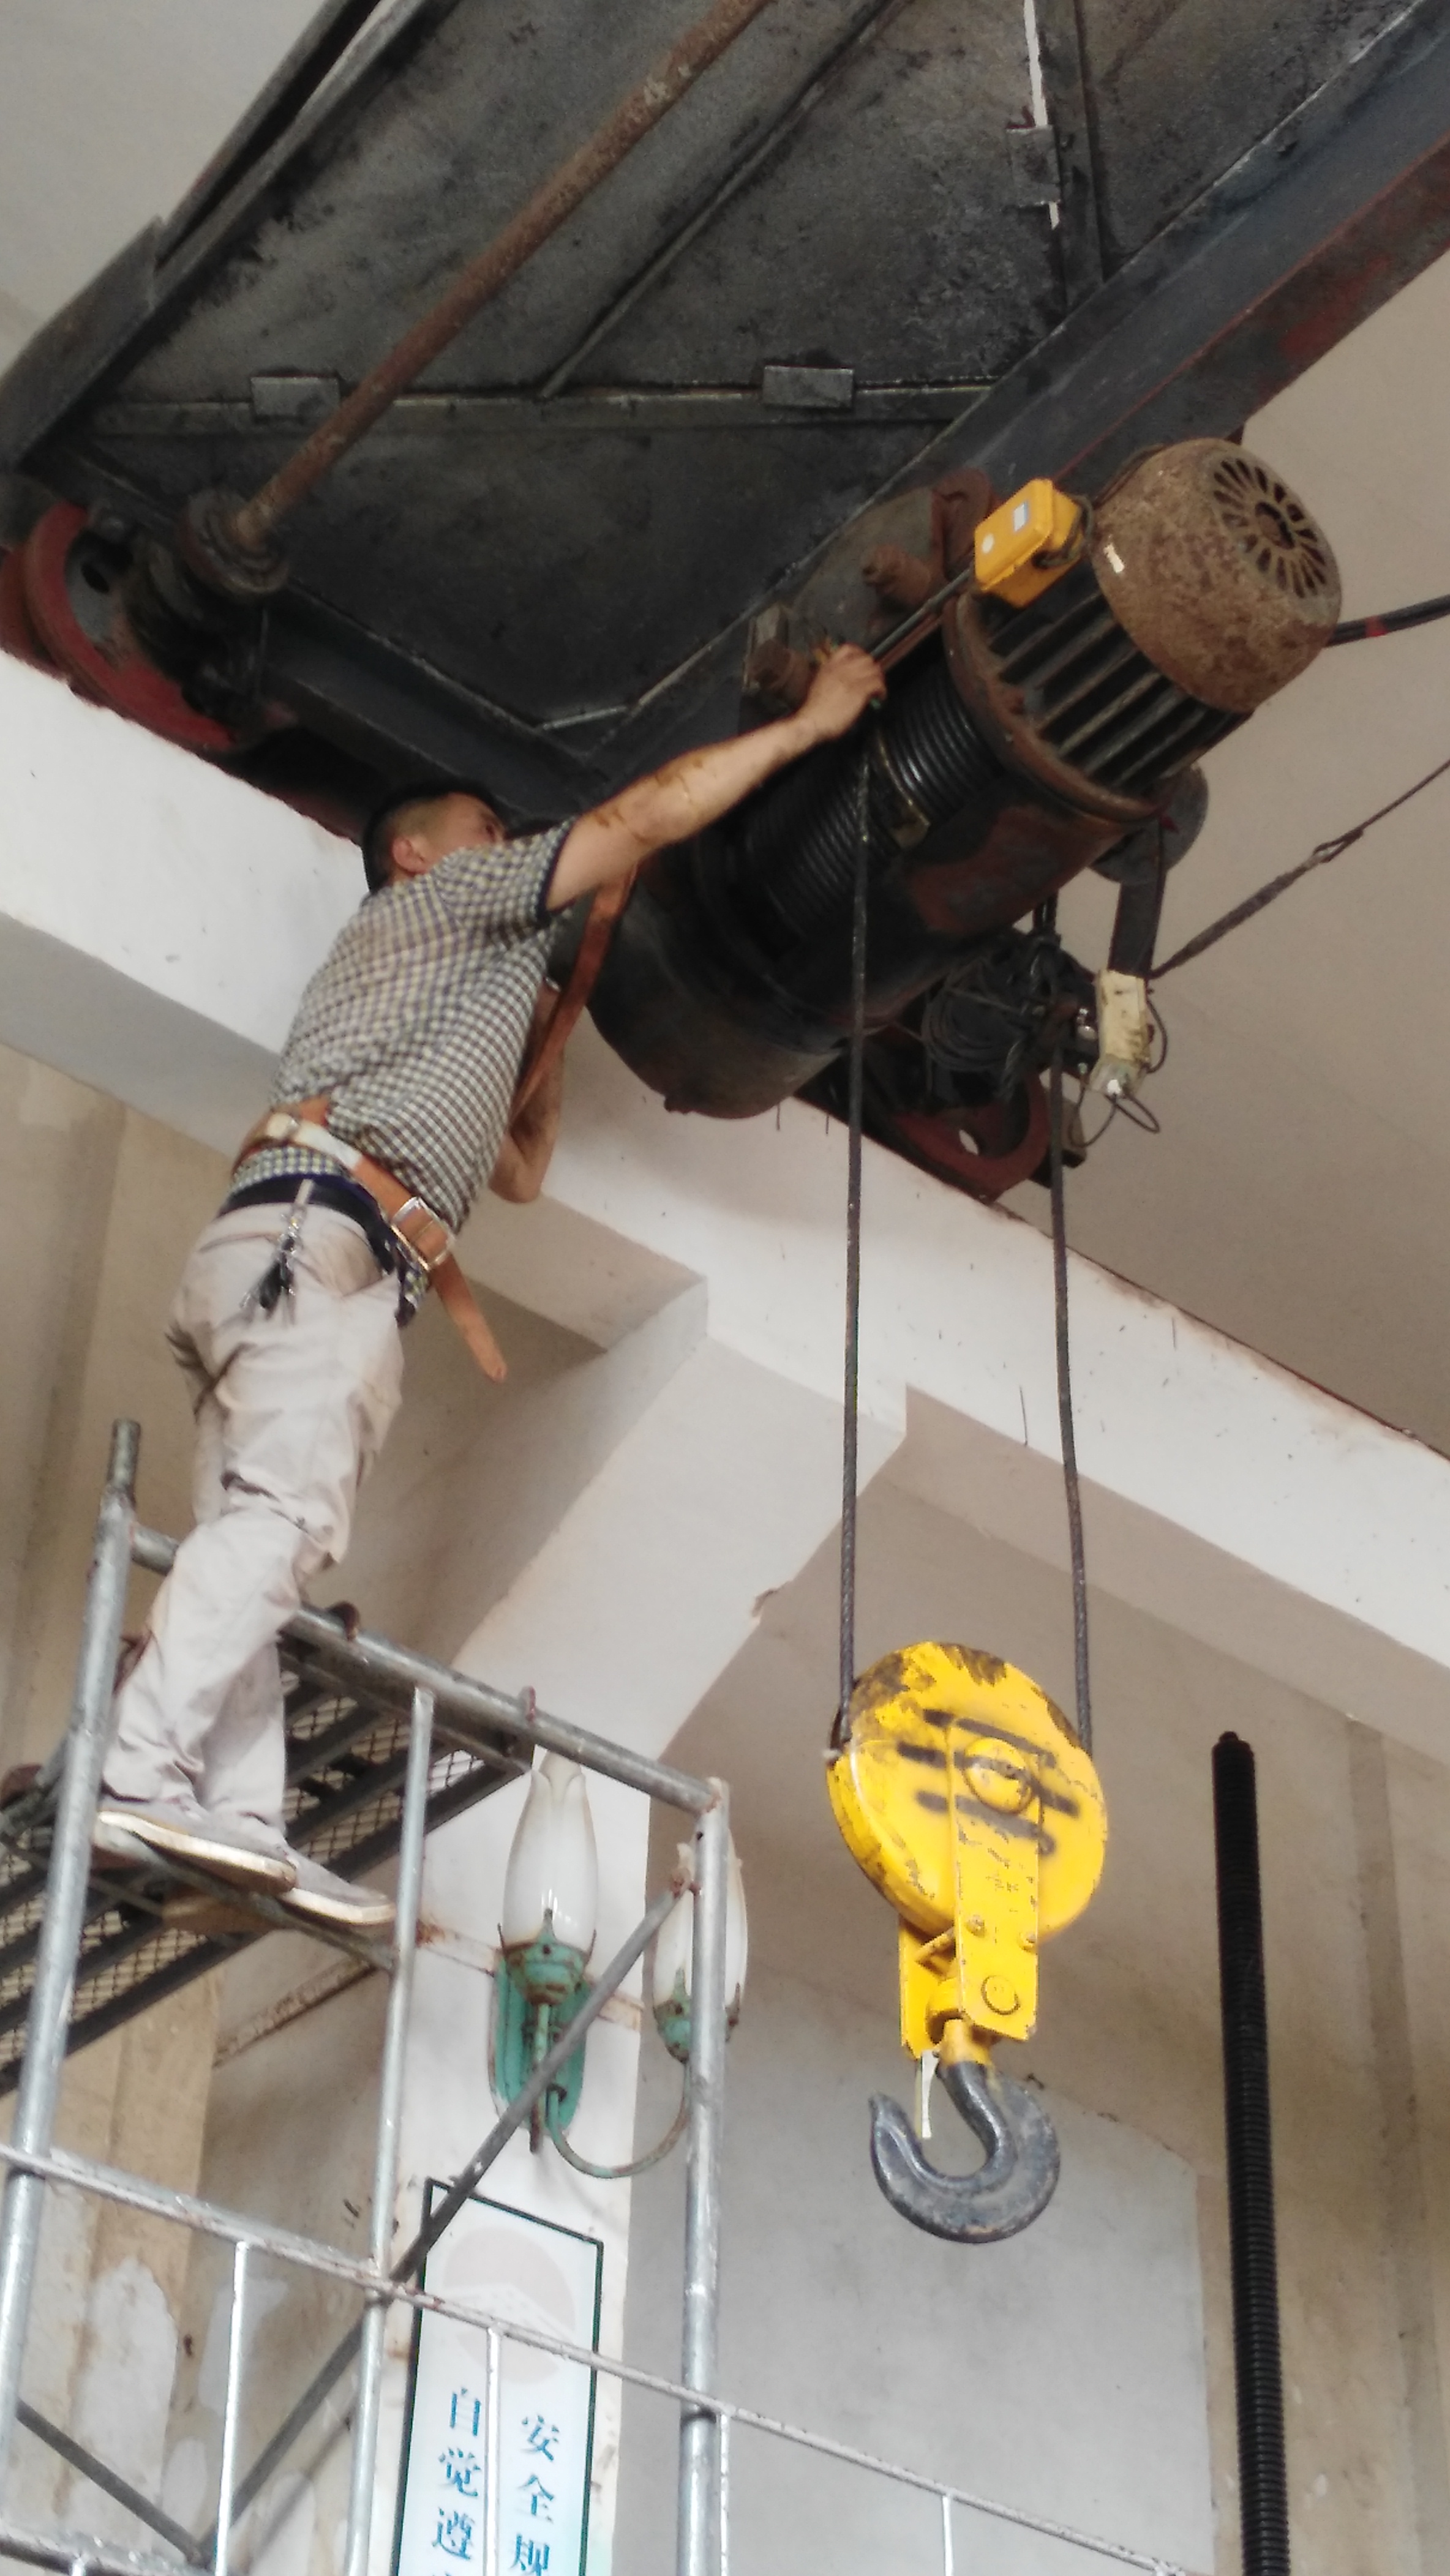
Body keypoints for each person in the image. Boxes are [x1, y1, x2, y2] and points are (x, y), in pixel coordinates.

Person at [93, 643, 885, 1931]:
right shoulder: (451, 899)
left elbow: (518, 1171)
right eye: (482, 824)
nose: (505, 839)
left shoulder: (462, 980)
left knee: (262, 1539)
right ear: (418, 854)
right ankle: (138, 1771)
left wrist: (547, 1013)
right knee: (281, 1527)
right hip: (321, 1244)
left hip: (297, 1250)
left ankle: (233, 1819)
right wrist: (809, 727)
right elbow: (640, 818)